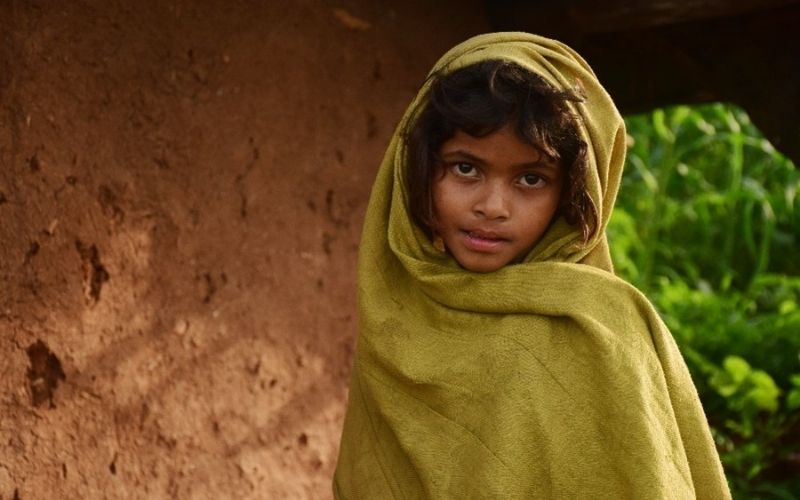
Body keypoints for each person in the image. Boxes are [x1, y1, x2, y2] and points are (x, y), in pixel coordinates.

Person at [333, 32, 731, 499]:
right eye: (465, 168)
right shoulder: (400, 315)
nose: (493, 206)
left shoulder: (596, 328)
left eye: (530, 178)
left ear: (569, 194)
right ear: (417, 167)